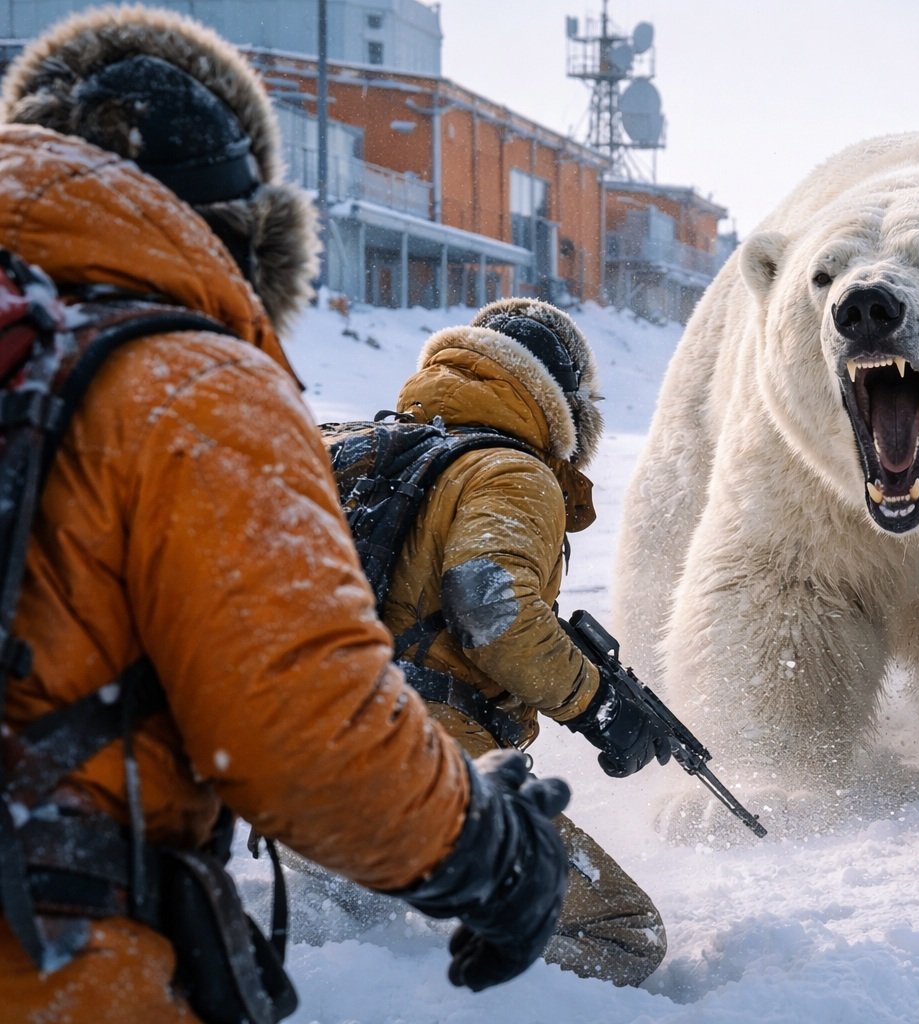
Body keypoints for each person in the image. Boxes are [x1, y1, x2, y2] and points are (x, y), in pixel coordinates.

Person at [0, 7, 570, 1020]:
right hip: (49, 956)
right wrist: (488, 846)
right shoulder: (187, 388)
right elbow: (303, 727)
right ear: (246, 234)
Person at [334, 297, 674, 987]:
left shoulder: (363, 449)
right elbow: (494, 610)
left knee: (343, 928)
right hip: (416, 752)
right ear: (570, 409)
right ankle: (442, 1001)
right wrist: (597, 703)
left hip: (291, 744)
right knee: (621, 933)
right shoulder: (510, 470)